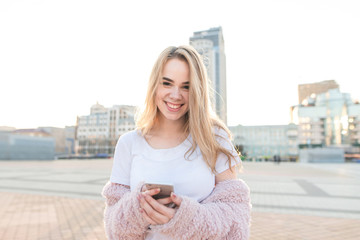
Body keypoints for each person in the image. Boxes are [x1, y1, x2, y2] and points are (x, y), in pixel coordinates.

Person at [101, 45, 251, 240]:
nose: (175, 94)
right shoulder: (128, 143)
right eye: (167, 83)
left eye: (186, 86)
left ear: (197, 90)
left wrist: (183, 219)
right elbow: (114, 227)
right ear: (155, 85)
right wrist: (138, 208)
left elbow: (236, 218)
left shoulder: (214, 138)